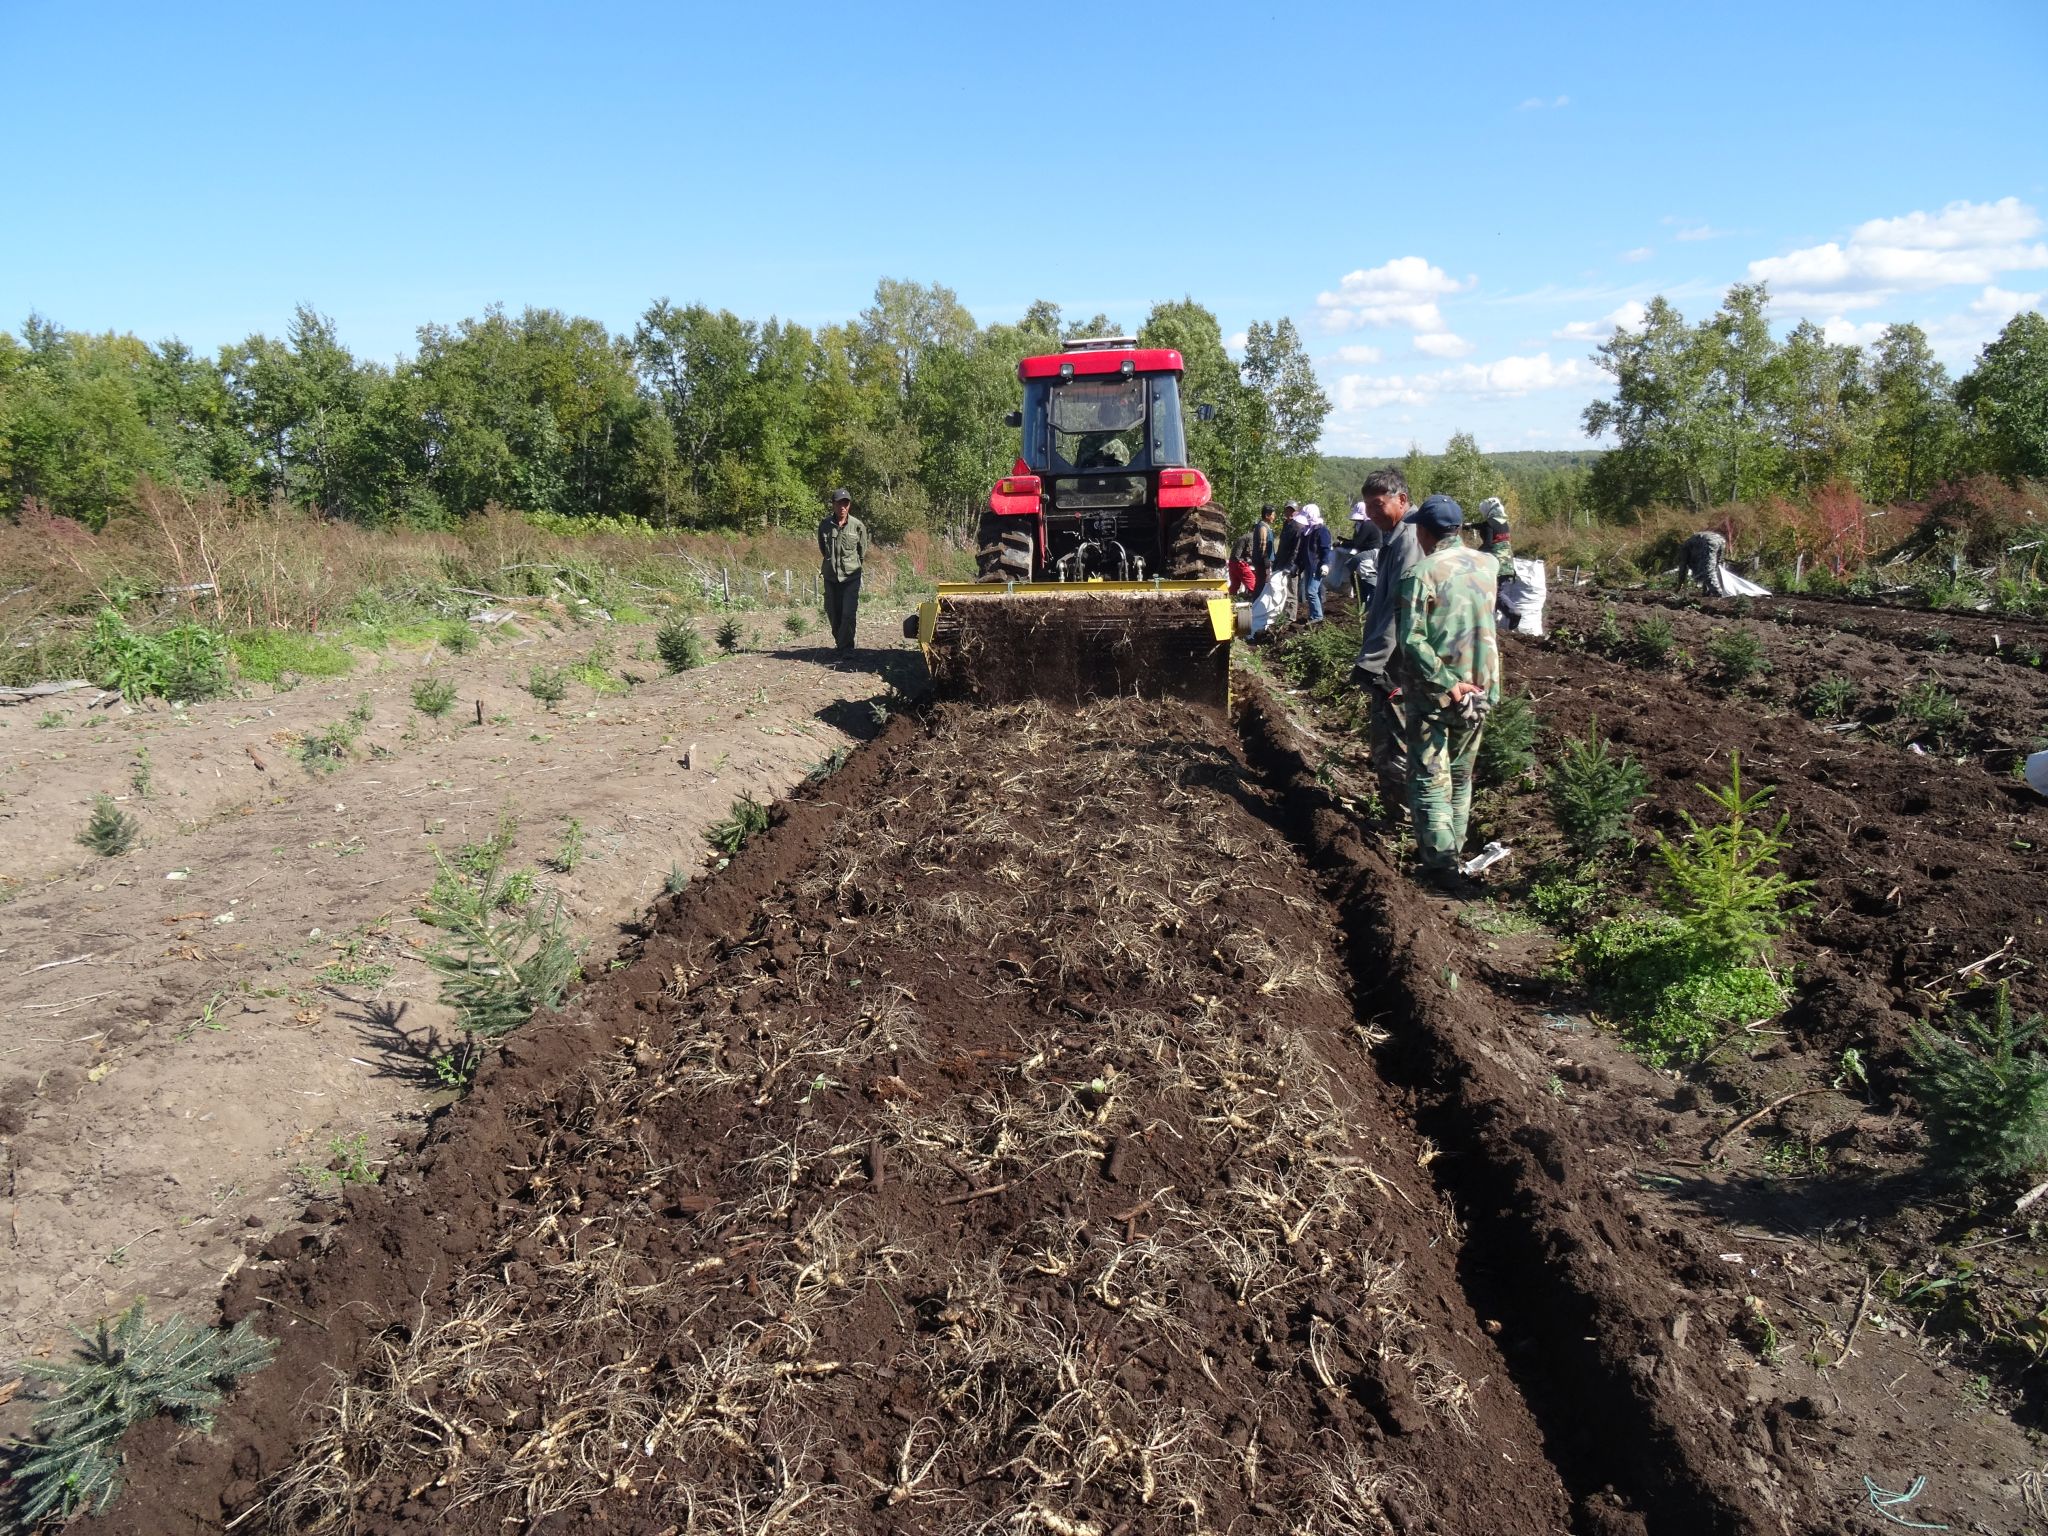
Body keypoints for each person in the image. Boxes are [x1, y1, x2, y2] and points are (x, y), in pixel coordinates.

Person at [1394, 495, 1501, 888]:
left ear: (1423, 531)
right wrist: (1497, 517)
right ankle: (1452, 854)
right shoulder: (1487, 565)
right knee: (1461, 774)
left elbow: (1412, 640)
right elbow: (1501, 548)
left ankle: (1439, 867)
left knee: (1428, 776)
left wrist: (1445, 682)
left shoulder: (1421, 573)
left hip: (1439, 692)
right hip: (1483, 688)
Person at [1350, 468, 1422, 790]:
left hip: (1400, 663)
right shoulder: (1395, 538)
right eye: (1367, 507)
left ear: (1402, 499)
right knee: (1388, 734)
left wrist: (1372, 663)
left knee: (1396, 740)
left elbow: (1399, 607)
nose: (1372, 514)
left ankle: (1400, 821)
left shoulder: (1409, 541)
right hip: (1393, 660)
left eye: (1378, 505)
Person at [817, 488, 868, 658]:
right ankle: (840, 642)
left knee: (848, 613)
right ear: (833, 505)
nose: (842, 507)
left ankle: (846, 648)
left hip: (851, 577)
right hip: (831, 577)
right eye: (839, 503)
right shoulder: (825, 525)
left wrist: (852, 566)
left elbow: (862, 552)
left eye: (846, 503)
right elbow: (824, 550)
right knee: (833, 611)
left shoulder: (858, 526)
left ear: (849, 505)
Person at [1292, 503, 1332, 622]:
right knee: (1314, 591)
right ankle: (1314, 614)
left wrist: (1325, 564)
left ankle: (1318, 616)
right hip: (1309, 566)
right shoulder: (1306, 532)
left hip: (1317, 566)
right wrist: (1297, 564)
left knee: (1311, 591)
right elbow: (1302, 552)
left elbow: (1325, 548)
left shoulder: (1322, 531)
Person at [1250, 504, 1277, 596]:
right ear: (1267, 515)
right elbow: (1263, 548)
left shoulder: (1265, 526)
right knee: (1261, 584)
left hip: (1263, 562)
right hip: (1263, 562)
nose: (1274, 517)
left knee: (1261, 583)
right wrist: (1266, 563)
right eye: (1273, 514)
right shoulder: (1263, 528)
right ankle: (1257, 604)